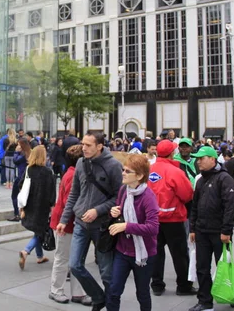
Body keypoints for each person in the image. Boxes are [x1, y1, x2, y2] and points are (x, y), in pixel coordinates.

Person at [57, 131, 123, 311]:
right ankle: (98, 296)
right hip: (80, 223)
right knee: (75, 265)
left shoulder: (113, 166)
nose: (83, 148)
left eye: (88, 145)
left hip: (102, 226)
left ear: (100, 146)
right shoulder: (80, 163)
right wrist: (64, 219)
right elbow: (74, 194)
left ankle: (111, 306)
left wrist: (97, 210)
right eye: (83, 144)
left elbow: (120, 197)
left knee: (106, 272)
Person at [106, 154, 160, 311]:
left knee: (142, 293)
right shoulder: (124, 190)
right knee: (113, 291)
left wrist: (126, 226)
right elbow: (120, 215)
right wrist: (114, 212)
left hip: (143, 254)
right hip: (122, 251)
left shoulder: (148, 197)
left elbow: (153, 228)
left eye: (127, 171)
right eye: (123, 169)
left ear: (139, 175)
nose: (123, 173)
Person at [188, 146, 234, 311]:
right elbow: (194, 206)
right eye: (198, 159)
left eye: (202, 158)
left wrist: (226, 231)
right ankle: (205, 301)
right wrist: (193, 228)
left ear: (212, 159)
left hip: (218, 232)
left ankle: (231, 293)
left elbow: (230, 206)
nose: (199, 161)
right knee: (202, 267)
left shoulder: (225, 178)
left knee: (224, 265)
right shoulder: (200, 180)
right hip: (202, 230)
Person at [148, 140, 196, 297]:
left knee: (155, 252)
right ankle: (183, 285)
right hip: (173, 218)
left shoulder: (150, 170)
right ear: (171, 152)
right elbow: (187, 194)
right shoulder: (175, 171)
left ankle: (156, 284)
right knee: (180, 254)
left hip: (154, 218)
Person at [49, 145, 89, 305]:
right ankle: (56, 290)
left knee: (75, 260)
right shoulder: (73, 175)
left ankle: (77, 293)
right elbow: (69, 202)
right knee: (63, 258)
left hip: (67, 222)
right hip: (65, 223)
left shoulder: (73, 173)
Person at [18, 146, 56, 269]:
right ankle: (26, 251)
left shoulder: (29, 169)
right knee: (41, 231)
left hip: (30, 205)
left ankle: (40, 256)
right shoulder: (48, 172)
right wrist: (52, 206)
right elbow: (52, 192)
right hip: (42, 206)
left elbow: (20, 185)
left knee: (38, 231)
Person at [8, 138, 31, 222]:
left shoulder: (23, 154)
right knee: (24, 196)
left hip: (21, 177)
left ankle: (17, 214)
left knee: (15, 196)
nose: (17, 146)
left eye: (18, 144)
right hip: (26, 177)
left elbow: (15, 161)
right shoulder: (29, 152)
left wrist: (16, 152)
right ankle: (23, 213)